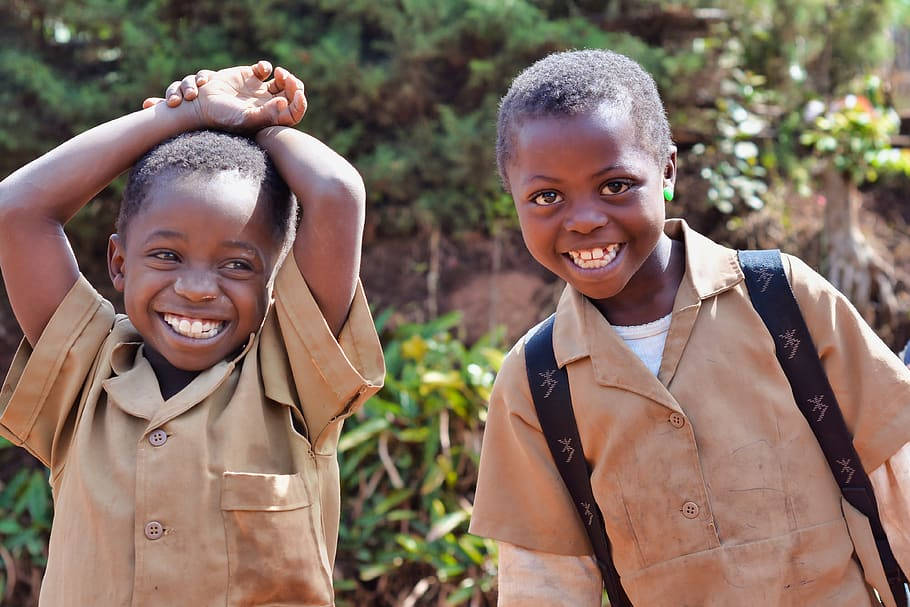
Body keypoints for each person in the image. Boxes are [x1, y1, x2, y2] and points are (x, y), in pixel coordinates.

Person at [468, 49, 910, 606]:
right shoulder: (536, 384)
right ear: (514, 199)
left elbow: (897, 479)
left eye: (615, 185)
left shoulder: (783, 301)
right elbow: (544, 585)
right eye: (547, 197)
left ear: (668, 170)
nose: (583, 218)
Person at [0, 61, 384, 606]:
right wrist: (180, 116)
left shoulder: (295, 375)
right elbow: (17, 209)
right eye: (166, 255)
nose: (199, 288)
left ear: (275, 280)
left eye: (237, 265)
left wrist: (258, 126)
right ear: (118, 262)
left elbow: (337, 193)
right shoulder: (86, 373)